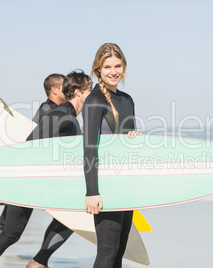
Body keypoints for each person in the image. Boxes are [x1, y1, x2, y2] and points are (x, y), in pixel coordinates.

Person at [0, 70, 92, 268]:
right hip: (28, 181)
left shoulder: (68, 115)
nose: (93, 96)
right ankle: (37, 262)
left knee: (75, 215)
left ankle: (39, 262)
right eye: (90, 90)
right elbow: (31, 145)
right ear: (78, 92)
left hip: (34, 181)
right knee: (11, 233)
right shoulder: (60, 114)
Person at [82, 43, 141, 268]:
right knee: (107, 253)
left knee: (118, 253)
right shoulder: (94, 100)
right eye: (107, 67)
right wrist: (92, 192)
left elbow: (122, 142)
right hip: (105, 185)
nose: (113, 71)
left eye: (118, 65)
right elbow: (89, 148)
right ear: (98, 69)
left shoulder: (127, 100)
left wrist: (133, 138)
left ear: (124, 68)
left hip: (125, 183)